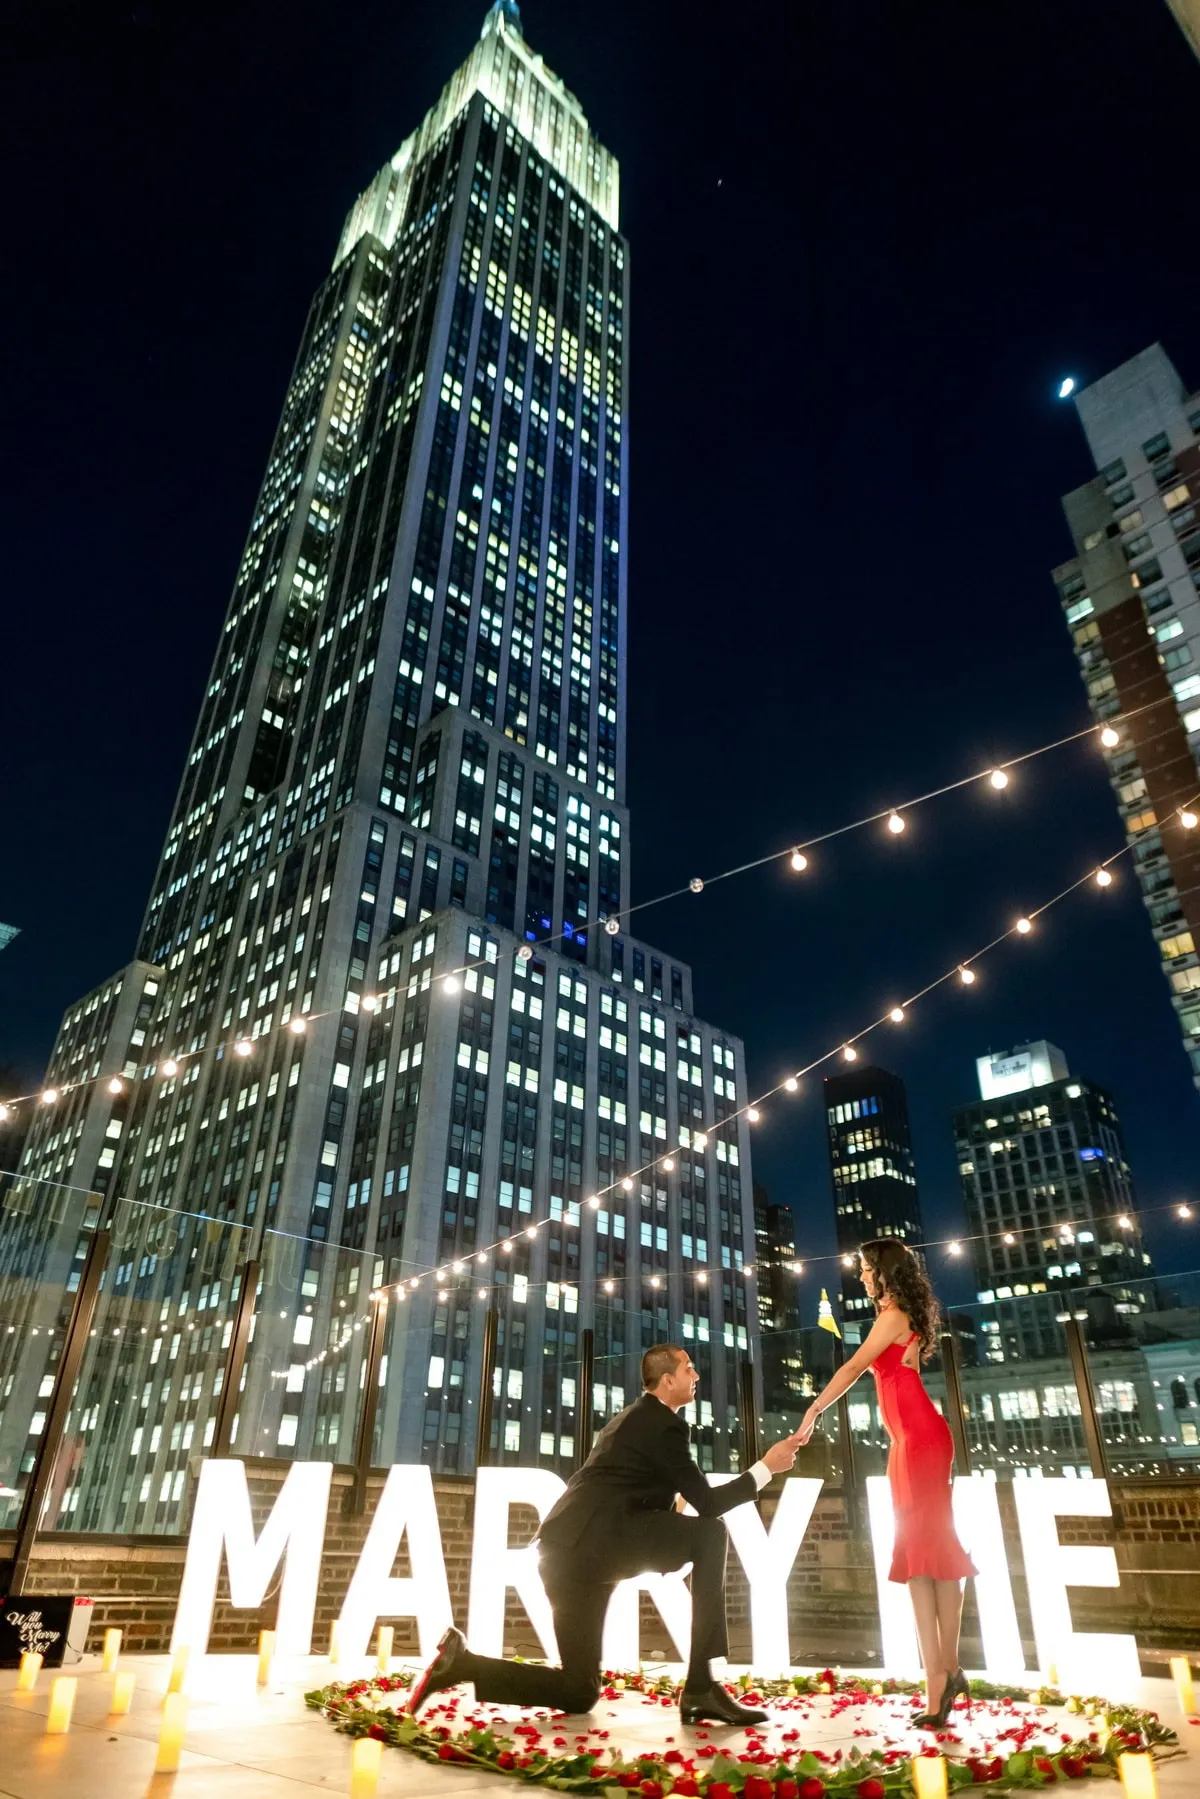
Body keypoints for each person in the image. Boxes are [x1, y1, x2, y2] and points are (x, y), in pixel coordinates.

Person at [409, 1343, 802, 1725]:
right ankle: (701, 1687)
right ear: (667, 1381)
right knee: (710, 1534)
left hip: (568, 1555)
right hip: (594, 1546)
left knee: (579, 1691)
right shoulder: (662, 1423)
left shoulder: (635, 1418)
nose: (696, 1375)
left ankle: (461, 1664)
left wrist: (672, 1513)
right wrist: (766, 1467)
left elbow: (640, 1488)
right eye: (688, 1368)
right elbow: (709, 1504)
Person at [796, 1239, 976, 1729]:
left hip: (919, 1439)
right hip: (909, 1440)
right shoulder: (899, 1315)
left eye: (864, 1270)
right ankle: (941, 1679)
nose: (859, 1277)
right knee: (921, 1559)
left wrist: (814, 1410)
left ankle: (944, 1677)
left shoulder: (894, 1316)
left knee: (933, 1553)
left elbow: (855, 1368)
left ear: (882, 1272)